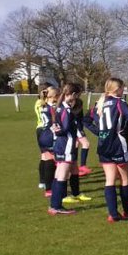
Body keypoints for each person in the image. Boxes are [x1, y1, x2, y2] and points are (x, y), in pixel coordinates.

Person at [86, 77, 128, 222]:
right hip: (118, 144)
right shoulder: (119, 102)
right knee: (125, 179)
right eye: (122, 87)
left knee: (109, 180)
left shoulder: (99, 103)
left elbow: (86, 119)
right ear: (117, 89)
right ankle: (127, 211)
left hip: (103, 145)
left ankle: (113, 213)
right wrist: (125, 131)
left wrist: (100, 132)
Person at [46, 82, 84, 215]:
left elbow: (56, 125)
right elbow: (66, 128)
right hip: (66, 144)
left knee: (58, 175)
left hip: (60, 145)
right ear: (73, 94)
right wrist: (58, 131)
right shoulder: (65, 109)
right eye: (77, 95)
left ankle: (54, 204)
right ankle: (56, 206)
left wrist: (56, 129)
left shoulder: (58, 107)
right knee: (62, 175)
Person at [35, 85, 58, 195]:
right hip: (49, 134)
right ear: (52, 96)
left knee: (45, 157)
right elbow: (54, 123)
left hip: (42, 133)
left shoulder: (41, 105)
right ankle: (49, 188)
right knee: (51, 161)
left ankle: (43, 182)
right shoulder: (51, 108)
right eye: (56, 96)